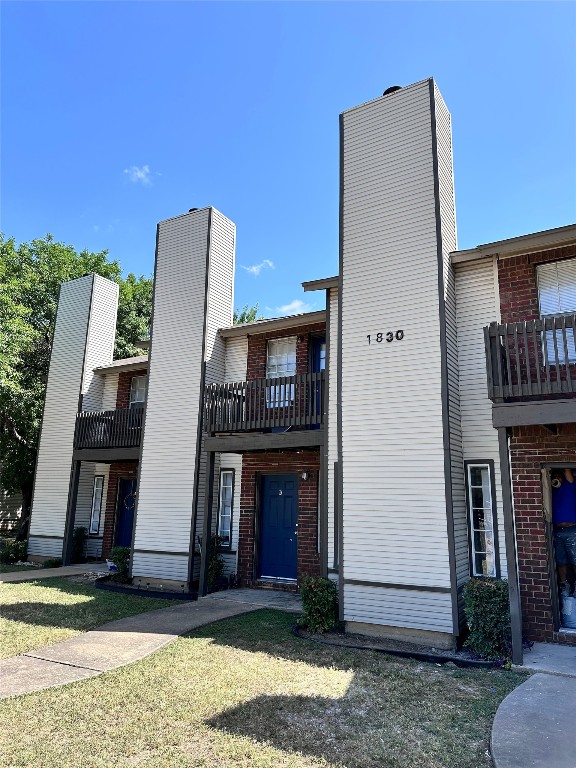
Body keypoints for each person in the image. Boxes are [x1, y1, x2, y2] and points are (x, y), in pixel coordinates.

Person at [551, 468, 576, 595]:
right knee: (561, 561)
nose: (557, 478)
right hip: (557, 531)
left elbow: (567, 470)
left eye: (559, 475)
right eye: (554, 476)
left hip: (572, 530)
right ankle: (564, 585)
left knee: (575, 559)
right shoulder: (550, 490)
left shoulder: (569, 485)